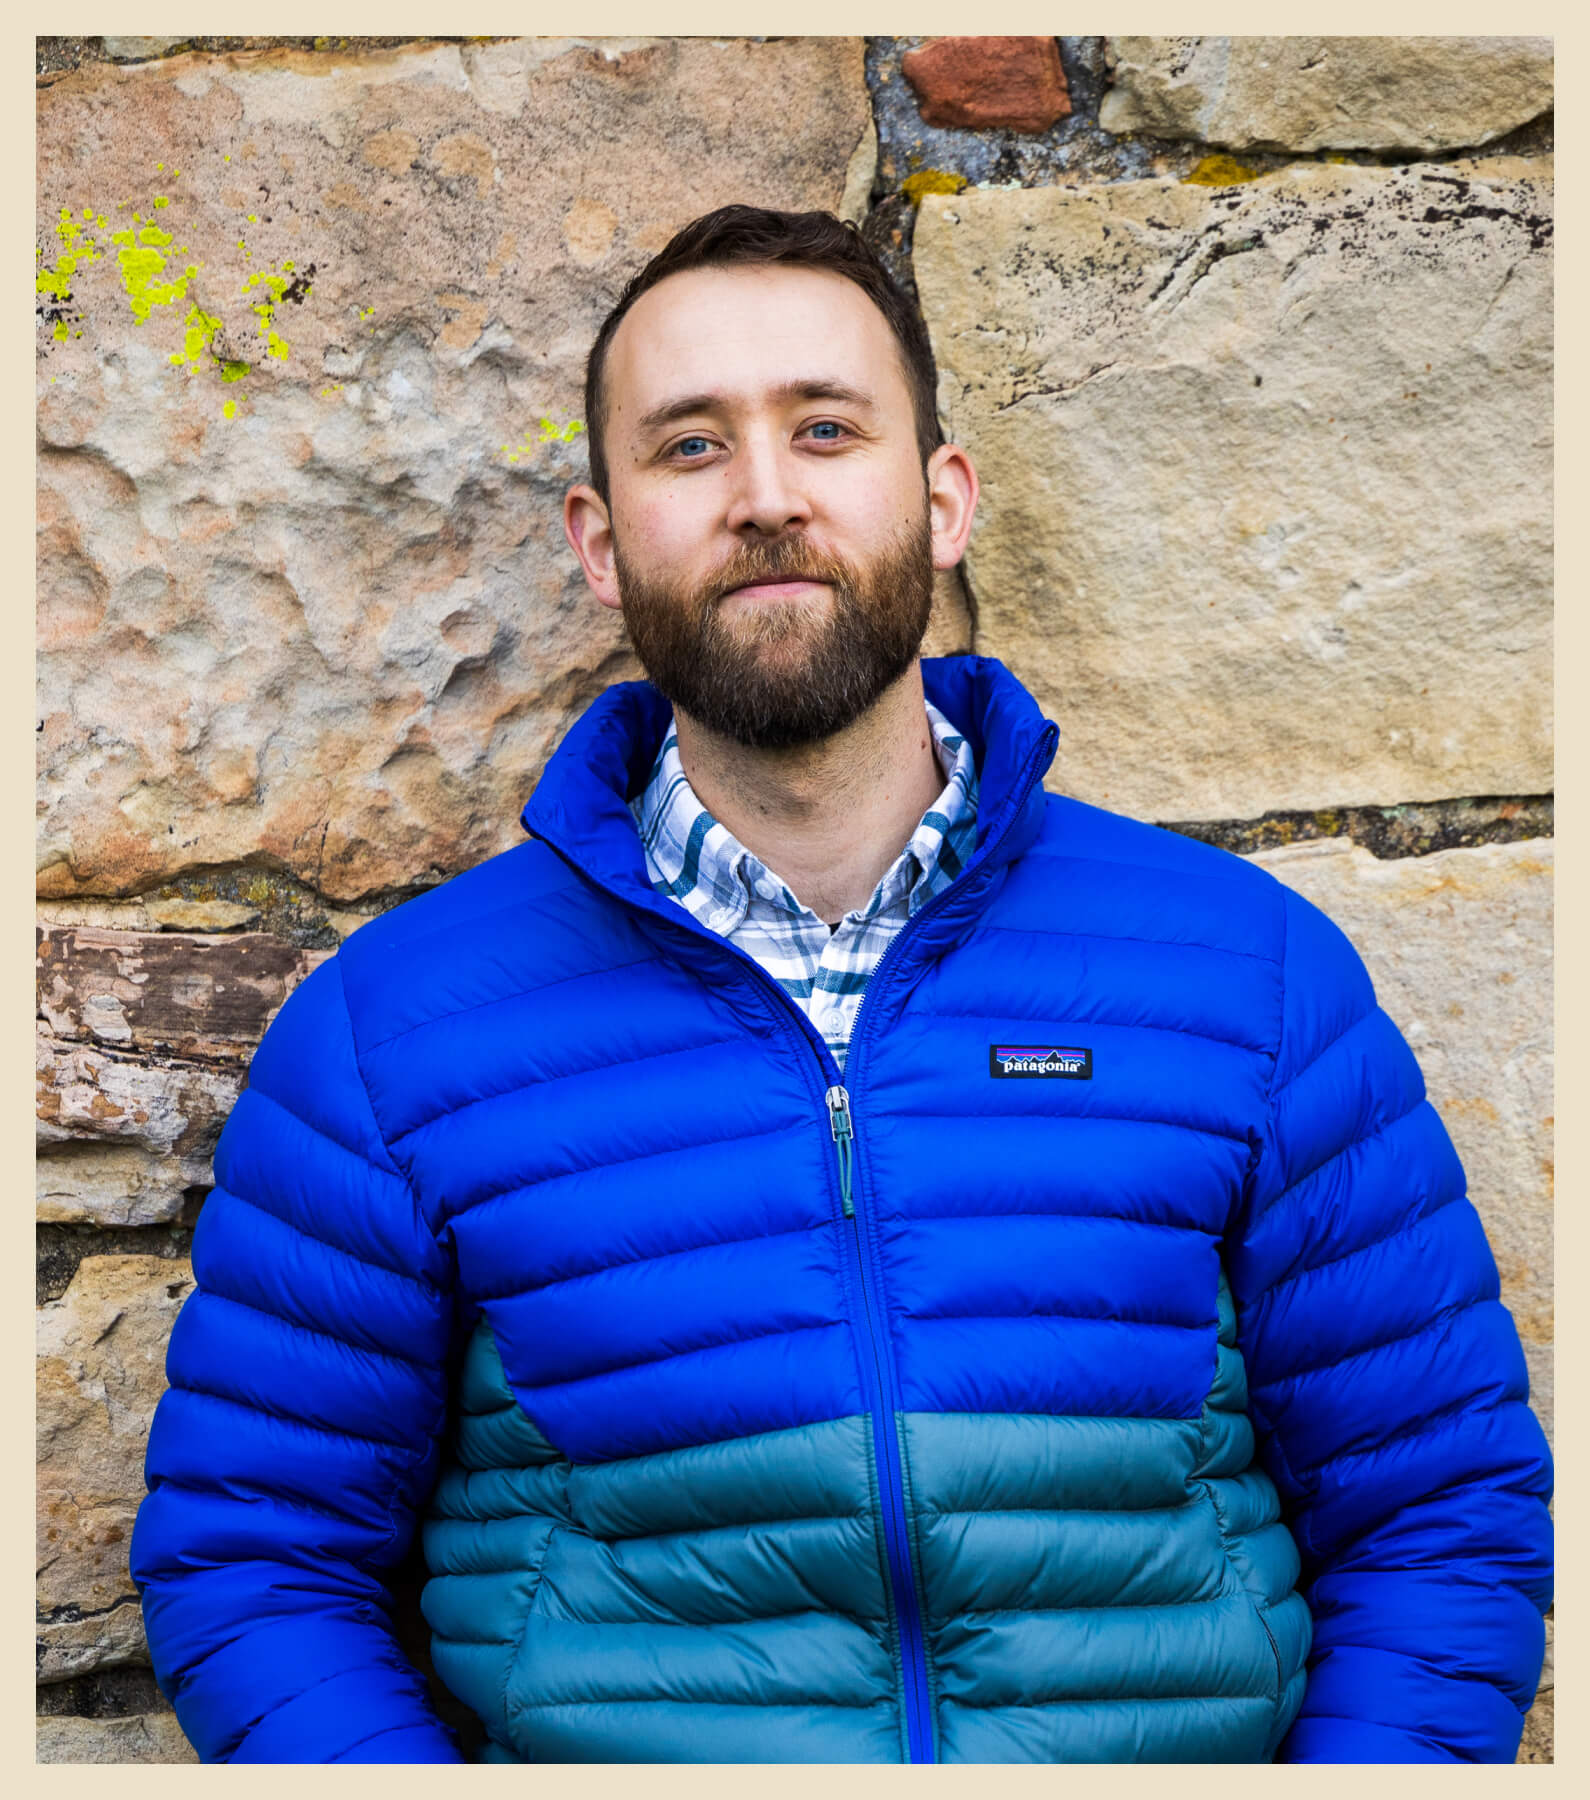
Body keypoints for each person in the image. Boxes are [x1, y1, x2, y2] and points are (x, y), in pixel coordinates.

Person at [130, 204, 1553, 1764]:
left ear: (939, 500)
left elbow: (1438, 1514)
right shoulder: (392, 1036)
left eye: (824, 429)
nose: (764, 499)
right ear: (599, 543)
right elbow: (259, 1564)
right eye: (688, 448)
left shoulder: (1241, 976)